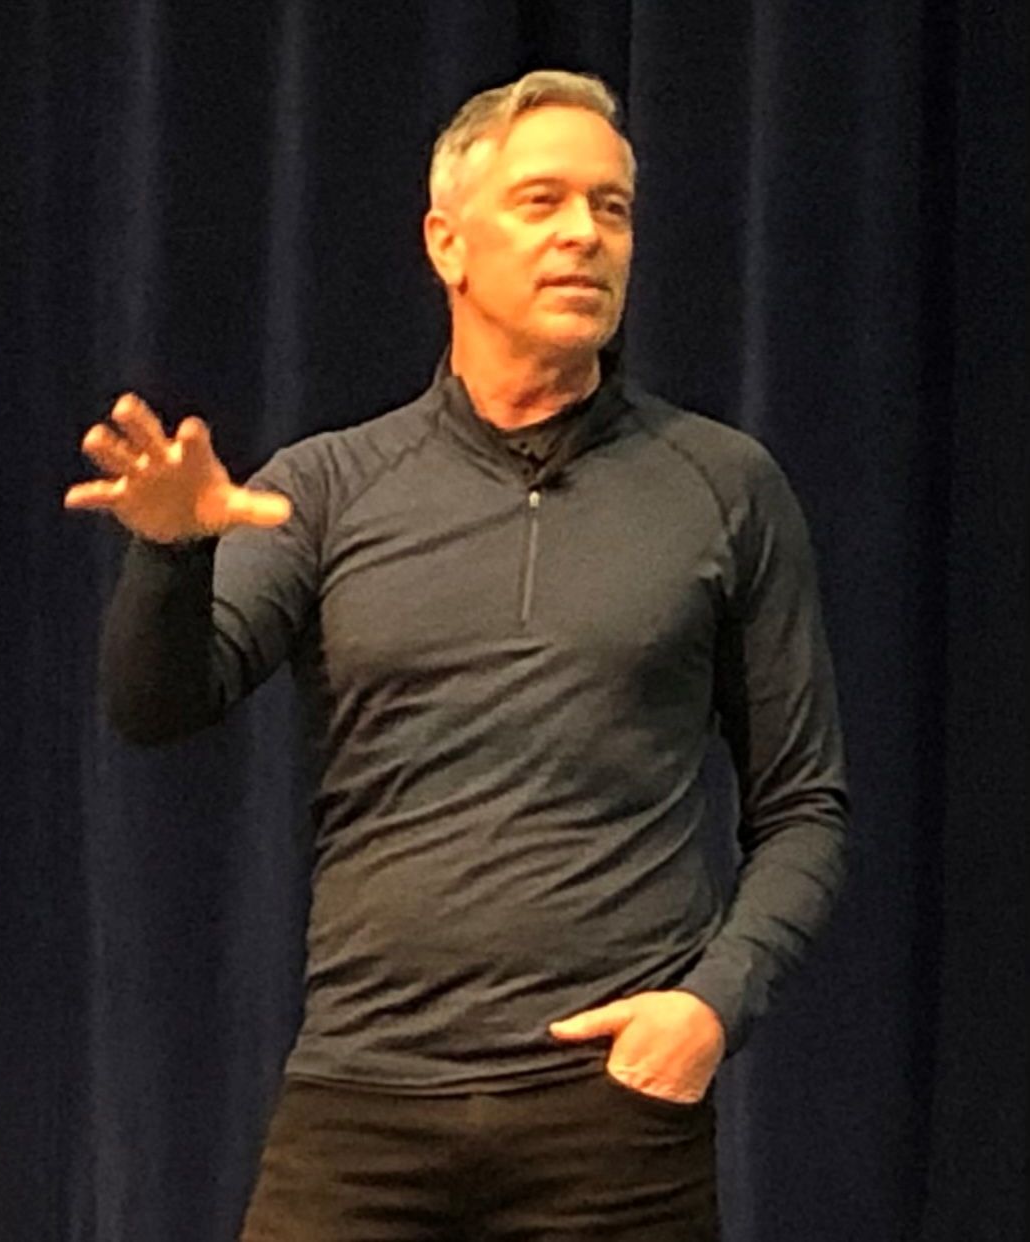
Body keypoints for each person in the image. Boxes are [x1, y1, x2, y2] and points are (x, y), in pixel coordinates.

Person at [64, 70, 847, 1240]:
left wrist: (707, 1007)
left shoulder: (722, 486)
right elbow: (155, 707)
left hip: (610, 1122)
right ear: (447, 244)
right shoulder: (327, 486)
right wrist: (171, 555)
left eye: (611, 208)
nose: (583, 234)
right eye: (541, 201)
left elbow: (804, 808)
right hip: (361, 1105)